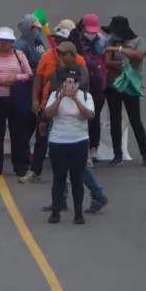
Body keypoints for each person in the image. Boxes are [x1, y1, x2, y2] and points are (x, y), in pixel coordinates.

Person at [24, 40, 86, 185]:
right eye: (58, 52)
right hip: (50, 106)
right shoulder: (47, 58)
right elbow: (43, 82)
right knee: (42, 139)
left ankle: (68, 175)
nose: (59, 56)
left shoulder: (80, 65)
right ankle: (35, 171)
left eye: (63, 54)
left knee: (67, 145)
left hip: (71, 111)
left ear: (72, 55)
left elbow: (82, 85)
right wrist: (36, 100)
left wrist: (64, 69)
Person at [0, 26, 34, 178]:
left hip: (16, 98)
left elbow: (28, 73)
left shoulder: (19, 55)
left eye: (7, 41)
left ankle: (21, 166)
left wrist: (15, 79)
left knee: (18, 132)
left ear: (12, 42)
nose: (4, 43)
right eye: (1, 41)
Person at [44, 66, 95, 225]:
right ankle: (55, 212)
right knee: (58, 178)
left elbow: (88, 115)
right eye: (67, 81)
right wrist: (61, 98)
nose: (71, 85)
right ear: (62, 83)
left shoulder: (86, 96)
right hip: (58, 142)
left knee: (76, 179)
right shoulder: (55, 95)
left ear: (79, 83)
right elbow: (49, 114)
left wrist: (75, 99)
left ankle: (78, 213)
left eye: (74, 82)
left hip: (78, 142)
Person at [103, 15, 146, 166]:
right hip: (113, 86)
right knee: (115, 120)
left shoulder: (138, 41)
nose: (112, 35)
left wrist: (118, 49)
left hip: (130, 86)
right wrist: (123, 63)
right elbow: (107, 61)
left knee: (135, 120)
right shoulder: (111, 40)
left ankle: (145, 155)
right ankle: (118, 155)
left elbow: (139, 55)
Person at [72, 14, 108, 156]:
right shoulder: (76, 40)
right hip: (80, 85)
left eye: (94, 31)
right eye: (89, 30)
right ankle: (79, 147)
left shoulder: (102, 40)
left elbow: (105, 61)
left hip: (97, 86)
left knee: (94, 117)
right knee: (77, 116)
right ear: (82, 27)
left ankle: (94, 148)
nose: (92, 34)